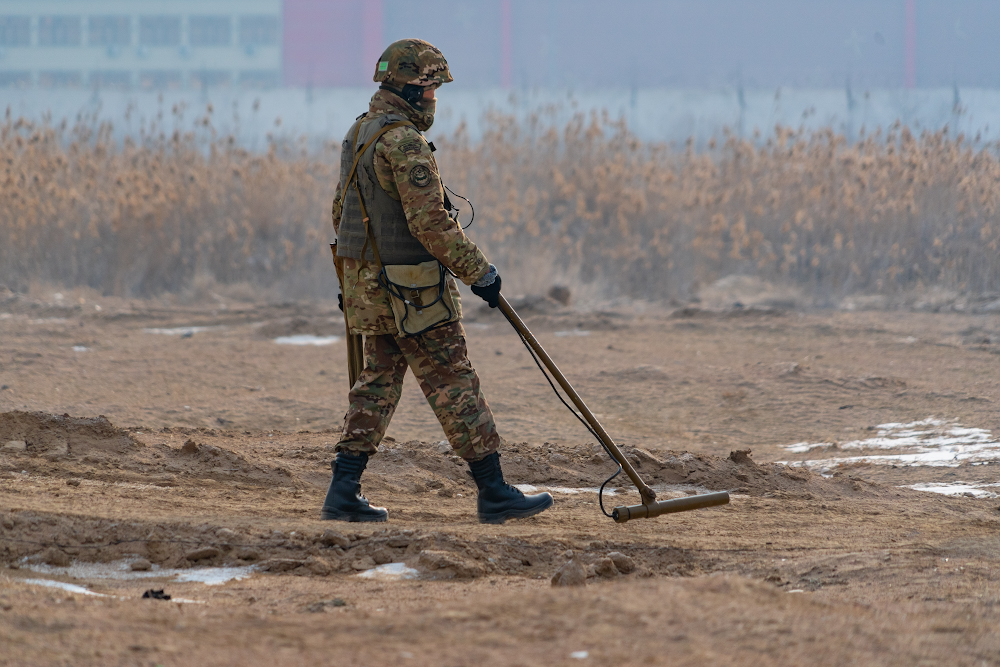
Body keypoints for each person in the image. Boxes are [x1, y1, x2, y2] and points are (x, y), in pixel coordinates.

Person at [322, 38, 553, 524]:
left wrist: (359, 283)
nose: (434, 102)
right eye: (431, 92)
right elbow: (431, 224)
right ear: (412, 89)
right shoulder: (403, 140)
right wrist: (481, 274)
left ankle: (343, 491)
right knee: (454, 381)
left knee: (377, 384)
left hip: (370, 290)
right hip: (414, 294)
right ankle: (493, 491)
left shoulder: (359, 133)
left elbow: (342, 213)